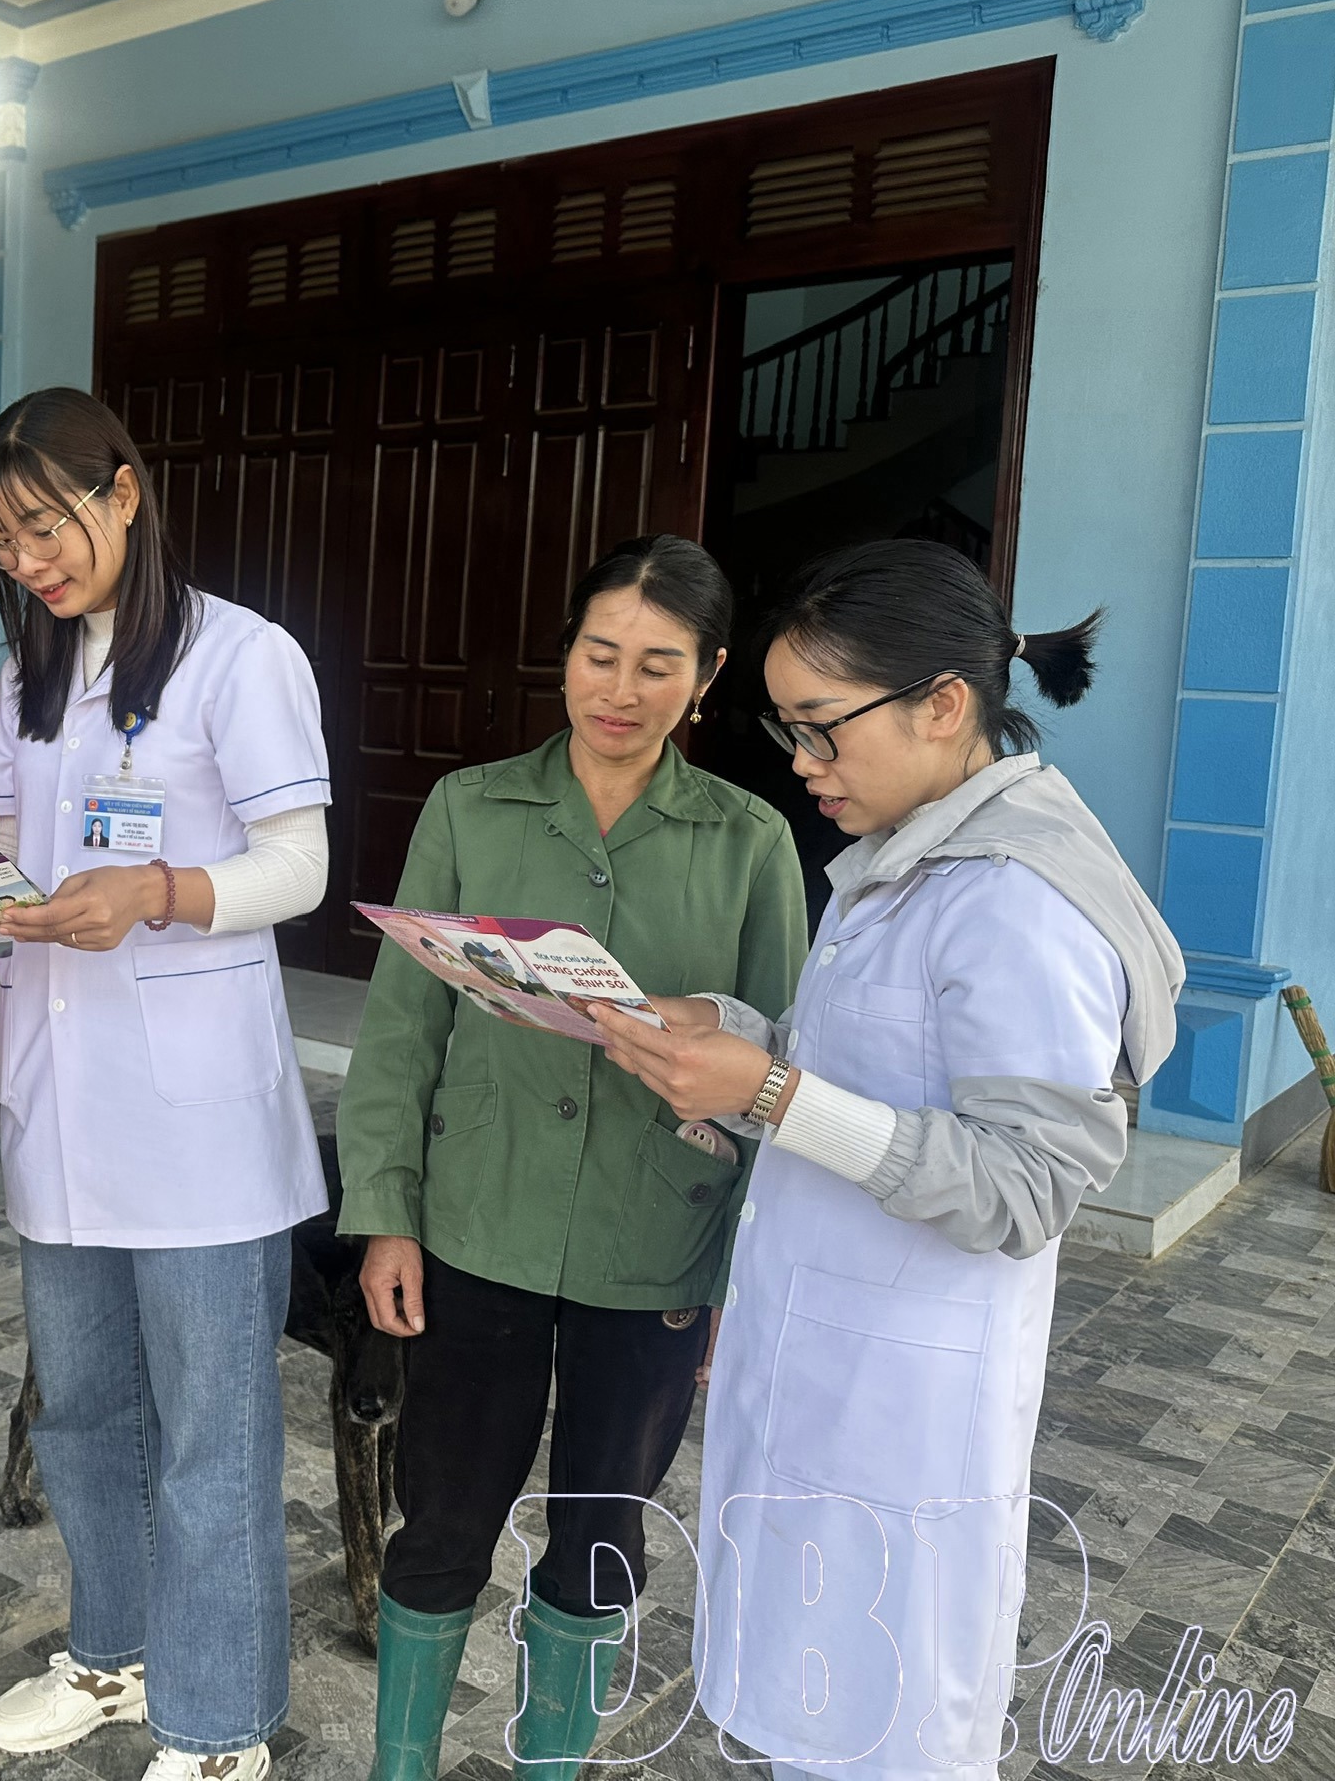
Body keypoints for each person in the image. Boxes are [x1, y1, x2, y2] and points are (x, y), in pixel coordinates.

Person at [589, 540, 1182, 1781]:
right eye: (785, 729)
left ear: (942, 705)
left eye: (820, 729)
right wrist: (728, 1033)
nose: (800, 762)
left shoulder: (1017, 899)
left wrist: (768, 1090)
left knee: (878, 1734)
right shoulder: (911, 855)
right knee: (814, 1711)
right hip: (827, 1369)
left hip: (904, 1414)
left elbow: (1025, 1185)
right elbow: (869, 1071)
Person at [338, 536, 807, 1781]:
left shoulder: (749, 839)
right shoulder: (469, 806)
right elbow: (400, 1032)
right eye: (600, 654)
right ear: (564, 655)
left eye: (658, 665)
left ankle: (550, 1764)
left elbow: (776, 1072)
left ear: (707, 676)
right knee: (440, 1518)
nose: (621, 689)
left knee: (602, 1539)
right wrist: (386, 1213)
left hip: (655, 1241)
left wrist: (736, 1280)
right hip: (476, 1222)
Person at [0, 388, 331, 1781]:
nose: (28, 562)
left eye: (45, 526)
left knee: (210, 1441)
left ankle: (221, 1722)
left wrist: (159, 891)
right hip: (60, 1107)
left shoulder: (242, 657)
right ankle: (112, 1653)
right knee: (81, 1417)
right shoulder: (28, 677)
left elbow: (298, 866)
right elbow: (6, 855)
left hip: (198, 1134)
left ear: (123, 492)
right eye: (2, 542)